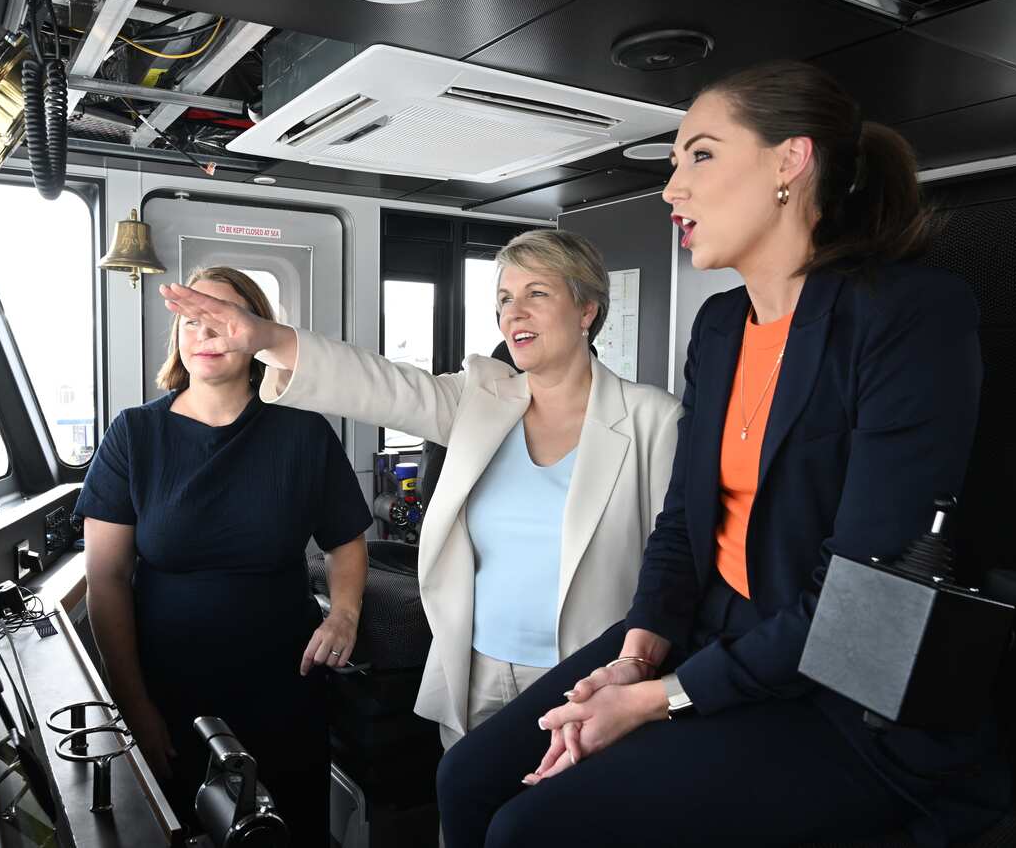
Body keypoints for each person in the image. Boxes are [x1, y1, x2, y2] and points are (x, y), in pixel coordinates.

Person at [432, 60, 1010, 848]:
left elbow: (862, 602)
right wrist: (638, 653)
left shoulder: (908, 316)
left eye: (699, 155)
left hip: (838, 696)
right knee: (464, 776)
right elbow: (681, 522)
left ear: (789, 161)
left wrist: (652, 700)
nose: (672, 188)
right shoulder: (719, 327)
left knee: (527, 829)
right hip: (709, 635)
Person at [159, 229, 682, 753]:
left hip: (589, 680)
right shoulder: (479, 398)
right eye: (505, 299)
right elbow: (378, 384)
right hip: (477, 670)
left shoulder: (653, 420)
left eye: (537, 293)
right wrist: (268, 338)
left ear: (587, 309)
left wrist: (642, 668)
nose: (514, 313)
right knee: (465, 799)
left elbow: (678, 564)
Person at [76, 266, 371, 846]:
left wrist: (344, 614)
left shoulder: (304, 434)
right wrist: (133, 704)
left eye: (222, 318)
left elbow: (346, 540)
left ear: (256, 333)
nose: (206, 332)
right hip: (170, 692)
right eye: (192, 320)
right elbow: (105, 578)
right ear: (177, 338)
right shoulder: (134, 434)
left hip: (285, 686)